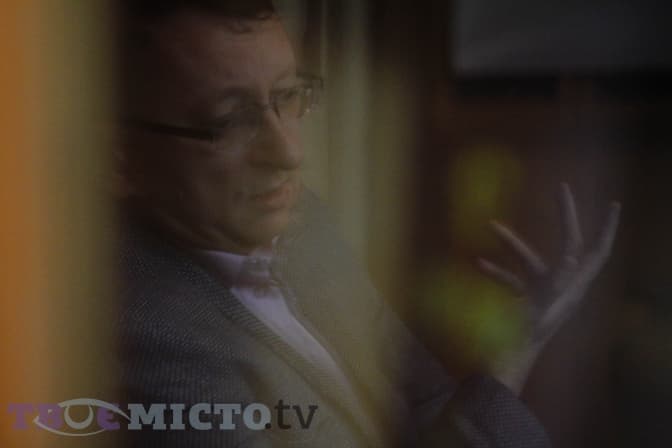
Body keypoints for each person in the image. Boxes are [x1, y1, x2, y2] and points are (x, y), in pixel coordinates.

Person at [113, 0, 620, 446]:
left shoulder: (303, 222)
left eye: (288, 96)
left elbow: (427, 402)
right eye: (229, 120)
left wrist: (517, 342)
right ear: (120, 157)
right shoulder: (139, 333)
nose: (289, 153)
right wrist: (510, 364)